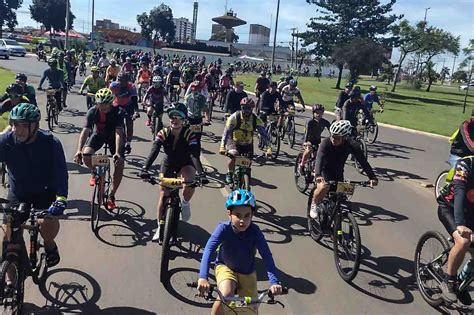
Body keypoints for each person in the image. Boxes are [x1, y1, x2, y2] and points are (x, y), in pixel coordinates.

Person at [0, 103, 68, 267]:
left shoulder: (51, 143)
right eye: (15, 124)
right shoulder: (6, 141)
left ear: (36, 126)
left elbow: (61, 175)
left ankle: (50, 244)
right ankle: (9, 282)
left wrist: (61, 198)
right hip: (18, 192)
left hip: (44, 191)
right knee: (8, 236)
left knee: (46, 223)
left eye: (24, 125)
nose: (19, 130)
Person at [197, 189, 283, 315]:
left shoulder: (255, 232)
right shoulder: (223, 228)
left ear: (252, 215)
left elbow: (267, 255)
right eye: (238, 215)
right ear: (229, 214)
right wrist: (202, 277)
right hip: (225, 267)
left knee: (252, 308)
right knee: (226, 294)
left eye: (247, 215)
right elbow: (209, 250)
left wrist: (274, 282)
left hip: (247, 272)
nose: (242, 220)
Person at [140, 103, 198, 241]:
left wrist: (201, 174)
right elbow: (154, 150)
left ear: (184, 120)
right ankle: (160, 227)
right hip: (168, 163)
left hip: (185, 163)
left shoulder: (190, 134)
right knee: (163, 194)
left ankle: (185, 203)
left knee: (190, 181)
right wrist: (145, 168)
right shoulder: (163, 133)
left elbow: (195, 155)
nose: (174, 119)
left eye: (178, 117)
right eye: (172, 116)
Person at [309, 120, 378, 219]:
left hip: (338, 170)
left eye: (337, 138)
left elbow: (363, 162)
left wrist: (372, 177)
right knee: (324, 187)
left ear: (345, 137)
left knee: (341, 196)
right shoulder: (325, 143)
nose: (333, 139)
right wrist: (318, 175)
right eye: (332, 136)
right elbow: (319, 159)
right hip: (324, 169)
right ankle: (314, 204)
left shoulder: (353, 145)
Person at [73, 88, 125, 210]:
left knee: (120, 163)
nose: (102, 106)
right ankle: (94, 171)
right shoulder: (93, 111)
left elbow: (118, 133)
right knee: (86, 155)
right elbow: (85, 131)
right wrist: (79, 150)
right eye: (99, 103)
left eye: (105, 103)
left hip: (114, 138)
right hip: (99, 135)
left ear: (111, 102)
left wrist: (117, 153)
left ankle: (112, 195)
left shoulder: (118, 112)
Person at [437, 155, 474, 303]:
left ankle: (461, 284)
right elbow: (459, 191)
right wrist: (460, 223)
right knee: (463, 241)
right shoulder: (465, 164)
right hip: (450, 209)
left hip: (470, 213)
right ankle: (449, 281)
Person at [219, 97, 271, 184]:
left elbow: (264, 135)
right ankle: (229, 172)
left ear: (252, 108)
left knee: (248, 163)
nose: (246, 110)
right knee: (234, 154)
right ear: (241, 107)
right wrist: (222, 146)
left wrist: (269, 148)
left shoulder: (256, 119)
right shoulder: (234, 117)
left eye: (248, 108)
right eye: (244, 108)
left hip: (248, 143)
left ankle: (245, 183)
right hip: (234, 141)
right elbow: (226, 133)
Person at [184, 83, 210, 182]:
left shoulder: (202, 98)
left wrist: (207, 119)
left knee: (197, 141)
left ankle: (196, 158)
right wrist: (184, 119)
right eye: (194, 90)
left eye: (197, 90)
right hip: (189, 120)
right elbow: (185, 109)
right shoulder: (188, 97)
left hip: (198, 120)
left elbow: (205, 109)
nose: (196, 92)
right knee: (187, 139)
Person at [109, 72, 139, 154]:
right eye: (119, 81)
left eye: (123, 81)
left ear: (127, 81)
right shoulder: (113, 85)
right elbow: (109, 97)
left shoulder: (131, 86)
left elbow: (134, 100)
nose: (121, 83)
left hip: (129, 105)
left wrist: (136, 111)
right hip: (117, 104)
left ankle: (128, 144)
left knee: (129, 123)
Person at [299, 104, 331, 173]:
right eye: (316, 113)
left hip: (317, 140)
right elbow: (306, 133)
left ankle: (315, 168)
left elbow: (331, 132)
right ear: (313, 113)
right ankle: (302, 165)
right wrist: (306, 142)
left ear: (322, 113)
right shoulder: (310, 122)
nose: (318, 115)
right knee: (308, 150)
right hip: (308, 140)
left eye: (320, 113)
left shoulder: (325, 122)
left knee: (320, 155)